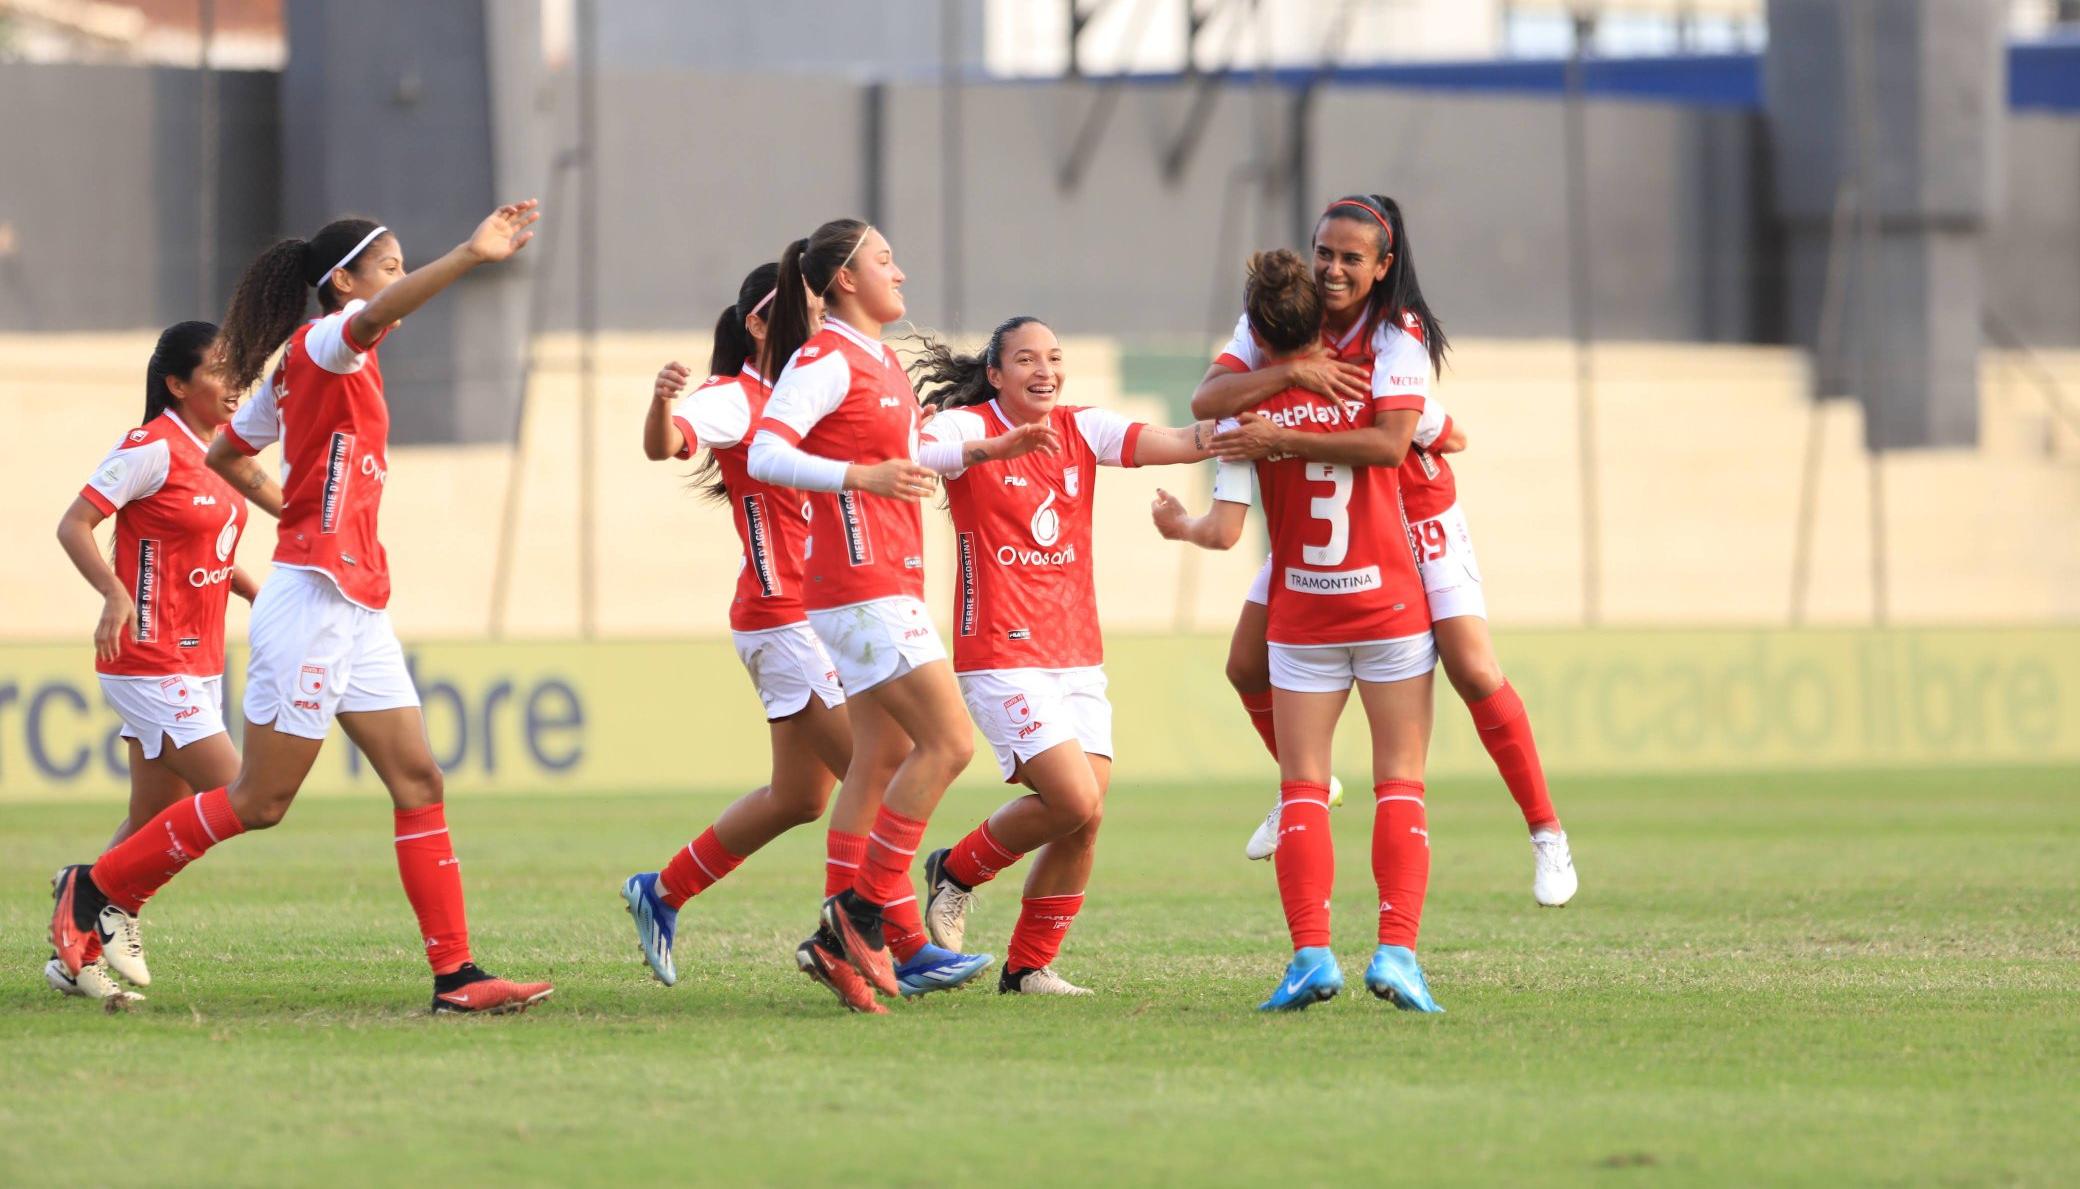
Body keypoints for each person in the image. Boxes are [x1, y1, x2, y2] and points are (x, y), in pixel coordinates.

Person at [48, 204, 555, 1014]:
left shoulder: (300, 363)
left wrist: (292, 506)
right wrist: (470, 252)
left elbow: (225, 454)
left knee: (420, 779)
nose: (395, 277)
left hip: (354, 597)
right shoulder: (330, 339)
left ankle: (457, 976)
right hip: (314, 597)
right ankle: (94, 887)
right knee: (261, 800)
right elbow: (381, 312)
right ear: (343, 282)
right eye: (386, 263)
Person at [1179, 193, 1576, 907]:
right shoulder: (1279, 316)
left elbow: (1396, 442)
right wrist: (1293, 375)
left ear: (1382, 266)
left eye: (1351, 259)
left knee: (1474, 668)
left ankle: (1546, 831)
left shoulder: (1398, 330)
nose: (1332, 269)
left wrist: (1284, 435)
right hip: (1323, 525)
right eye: (1324, 252)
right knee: (1244, 663)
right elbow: (1208, 398)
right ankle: (1305, 787)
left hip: (1414, 516)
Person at [745, 219, 1055, 1008]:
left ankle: (847, 943)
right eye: (885, 260)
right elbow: (765, 452)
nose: (901, 272)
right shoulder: (824, 356)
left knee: (879, 761)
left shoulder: (877, 359)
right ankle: (857, 917)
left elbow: (911, 449)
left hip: (884, 582)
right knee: (948, 742)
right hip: (860, 584)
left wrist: (987, 450)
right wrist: (861, 476)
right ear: (846, 277)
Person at [1161, 249, 1447, 1012]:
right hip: (1388, 604)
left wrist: (1274, 425)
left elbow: (1207, 416)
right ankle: (1398, 953)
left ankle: (1313, 956)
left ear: (1253, 332)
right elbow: (1420, 437)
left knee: (1303, 788)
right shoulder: (1375, 382)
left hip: (1304, 613)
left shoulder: (1244, 414)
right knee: (1400, 784)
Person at [904, 316, 1213, 995]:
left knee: (1086, 814)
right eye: (1024, 359)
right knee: (1071, 796)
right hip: (999, 653)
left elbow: (1181, 442)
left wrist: (1238, 432)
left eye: (1053, 357)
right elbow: (916, 452)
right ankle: (955, 870)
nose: (1043, 370)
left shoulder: (1082, 427)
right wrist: (989, 451)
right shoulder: (968, 427)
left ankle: (1027, 966)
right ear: (995, 373)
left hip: (1076, 655)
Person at [617, 261, 859, 994]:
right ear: (757, 325)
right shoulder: (734, 397)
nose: (817, 323)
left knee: (800, 796)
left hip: (822, 614)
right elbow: (668, 443)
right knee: (875, 770)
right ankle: (865, 940)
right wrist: (661, 406)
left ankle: (661, 890)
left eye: (821, 311)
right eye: (800, 312)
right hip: (780, 617)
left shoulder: (811, 398)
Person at [47, 321, 265, 1004]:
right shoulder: (151, 447)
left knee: (149, 820)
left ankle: (75, 950)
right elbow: (74, 523)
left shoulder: (222, 454)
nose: (235, 384)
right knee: (236, 789)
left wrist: (262, 594)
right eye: (219, 370)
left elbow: (203, 551)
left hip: (198, 660)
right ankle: (99, 895)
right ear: (176, 383)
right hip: (146, 658)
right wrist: (113, 591)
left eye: (239, 371)